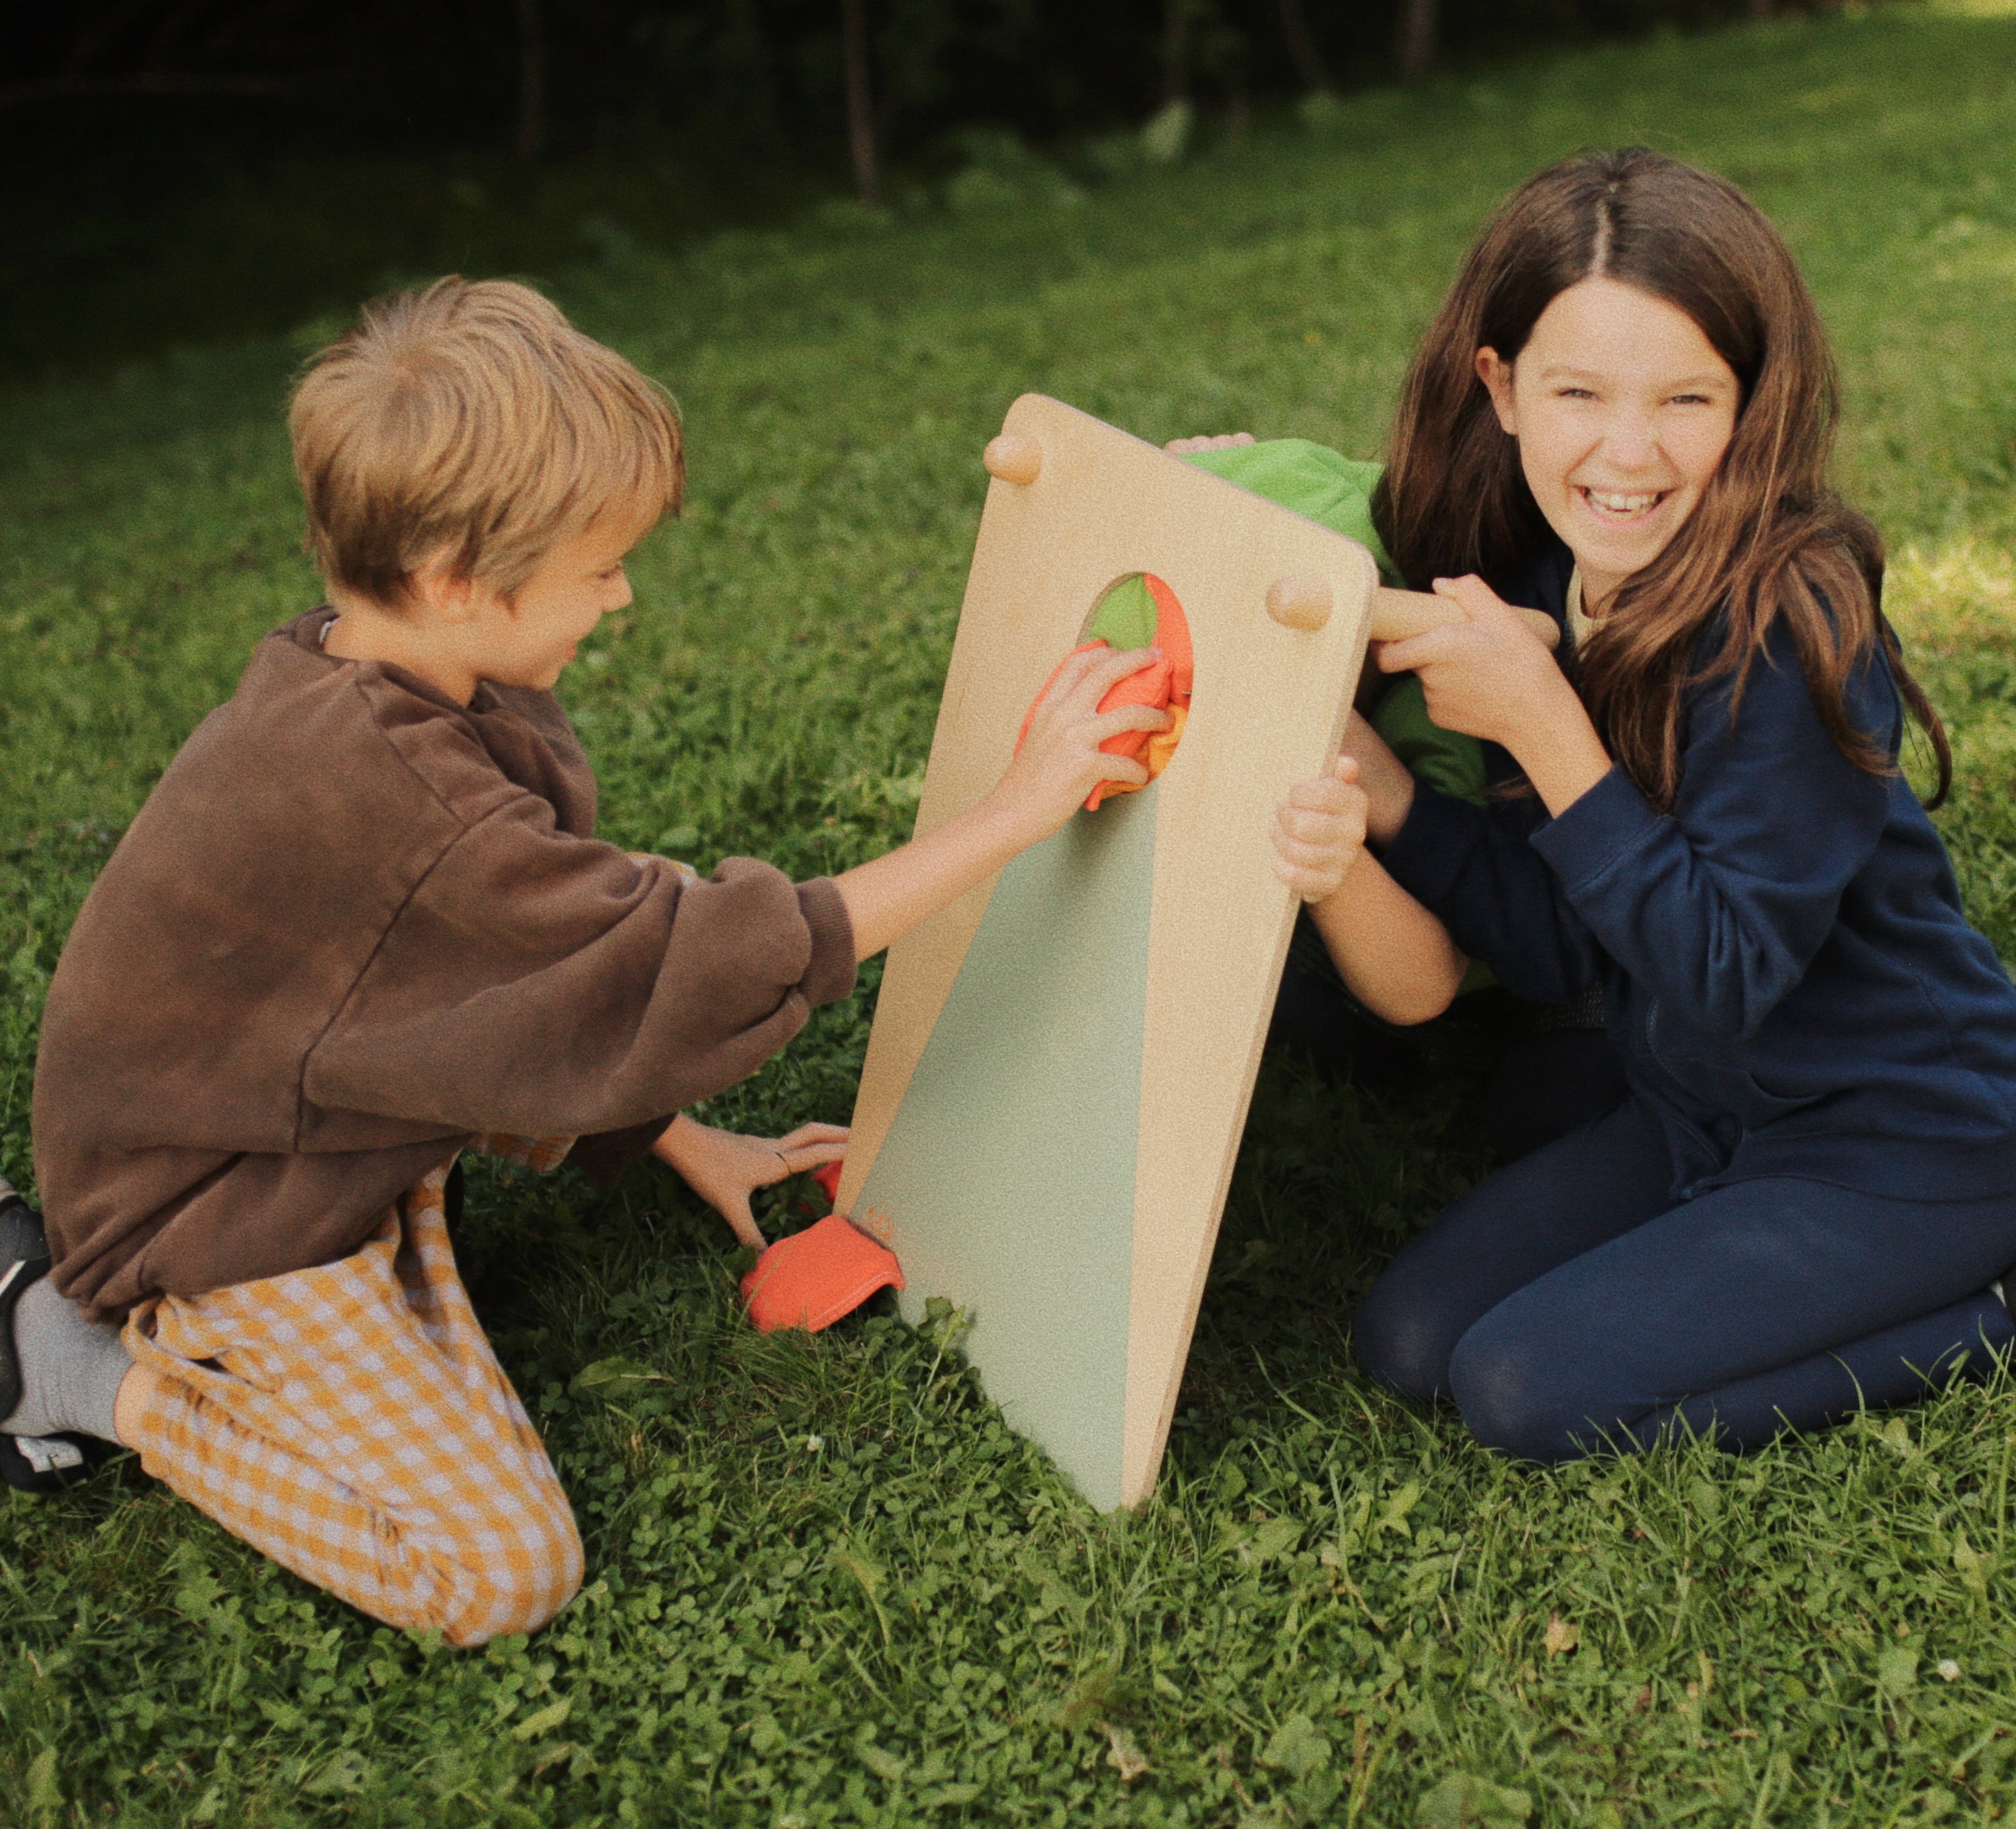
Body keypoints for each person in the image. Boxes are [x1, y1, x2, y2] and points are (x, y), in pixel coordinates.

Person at [0, 276, 1373, 1640]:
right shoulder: (396, 798)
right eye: (595, 565)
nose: (624, 591)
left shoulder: (392, 676)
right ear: (453, 583)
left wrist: (665, 1125)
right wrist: (1016, 807)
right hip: (224, 1209)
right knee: (498, 1572)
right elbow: (673, 956)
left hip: (320, 1120)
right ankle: (76, 1361)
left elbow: (496, 976)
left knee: (582, 957)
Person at [1339, 147, 2016, 1462]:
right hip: (1701, 1110)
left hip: (1901, 1127)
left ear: (1750, 403)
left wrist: (1541, 718)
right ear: (1501, 387)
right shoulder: (1541, 567)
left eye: (1686, 397)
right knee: (1410, 1340)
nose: (1628, 452)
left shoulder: (1791, 616)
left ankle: (1989, 1298)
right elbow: (1556, 946)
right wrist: (1388, 799)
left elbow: (1723, 970)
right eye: (1577, 390)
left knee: (1522, 1390)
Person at [1159, 431, 1624, 1159]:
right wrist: (1211, 476)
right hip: (1389, 888)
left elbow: (1425, 981)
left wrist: (1348, 836)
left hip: (1540, 922)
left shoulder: (1445, 719)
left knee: (1557, 1100)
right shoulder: (1325, 502)